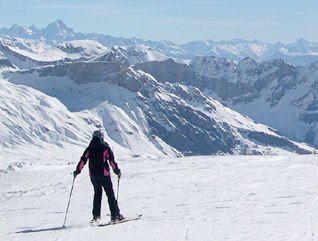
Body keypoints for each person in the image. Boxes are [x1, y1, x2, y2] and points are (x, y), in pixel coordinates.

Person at [73, 130, 124, 223]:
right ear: (102, 137)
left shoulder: (89, 148)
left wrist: (77, 171)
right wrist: (117, 171)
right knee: (110, 195)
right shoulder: (105, 147)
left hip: (93, 175)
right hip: (104, 175)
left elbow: (83, 160)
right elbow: (111, 161)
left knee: (97, 194)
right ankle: (115, 215)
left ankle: (96, 217)